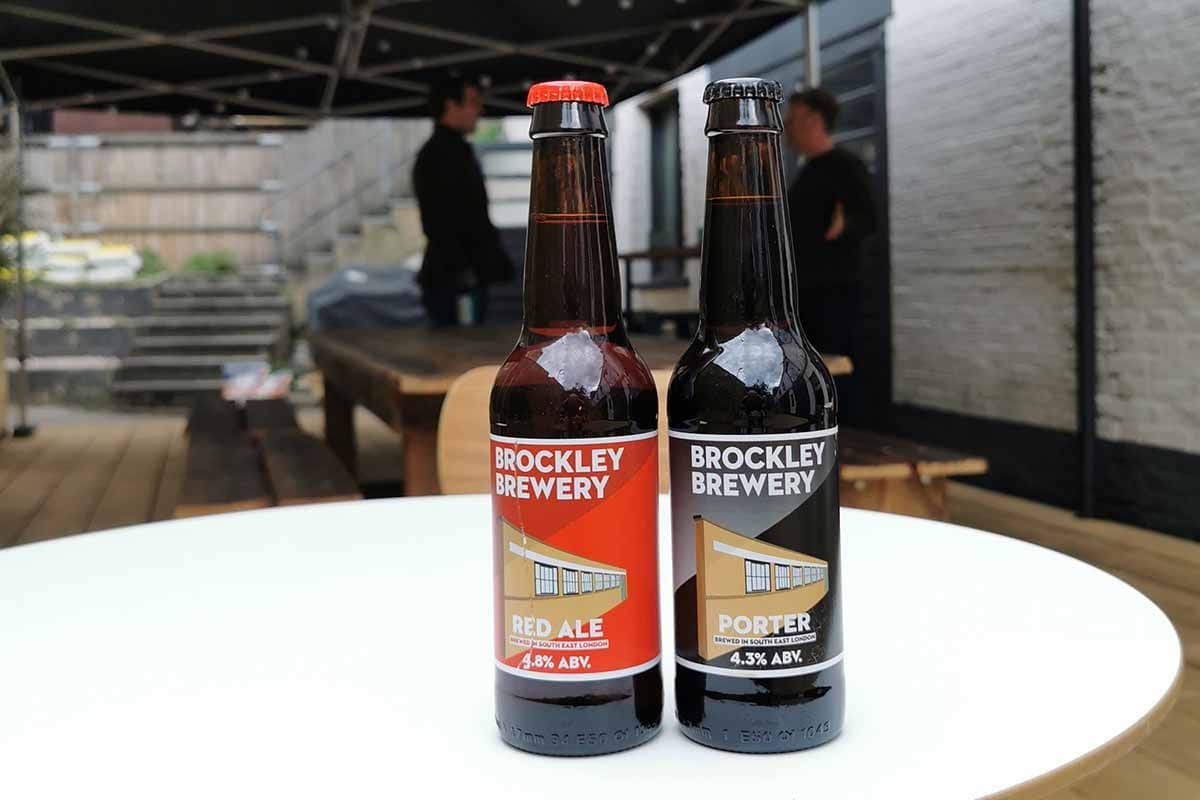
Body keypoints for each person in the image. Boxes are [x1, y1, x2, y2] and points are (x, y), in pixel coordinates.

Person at [783, 87, 877, 424]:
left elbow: (868, 217)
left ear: (813, 119)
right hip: (806, 290)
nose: (786, 128)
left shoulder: (846, 167)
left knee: (836, 364)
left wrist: (843, 226)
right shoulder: (808, 171)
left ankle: (844, 433)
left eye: (791, 121)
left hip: (835, 290)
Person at [412, 77, 514, 326]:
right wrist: (465, 269)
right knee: (459, 345)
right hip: (456, 280)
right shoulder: (440, 155)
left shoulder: (450, 151)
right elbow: (440, 222)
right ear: (451, 105)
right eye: (472, 102)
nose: (479, 110)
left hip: (460, 276)